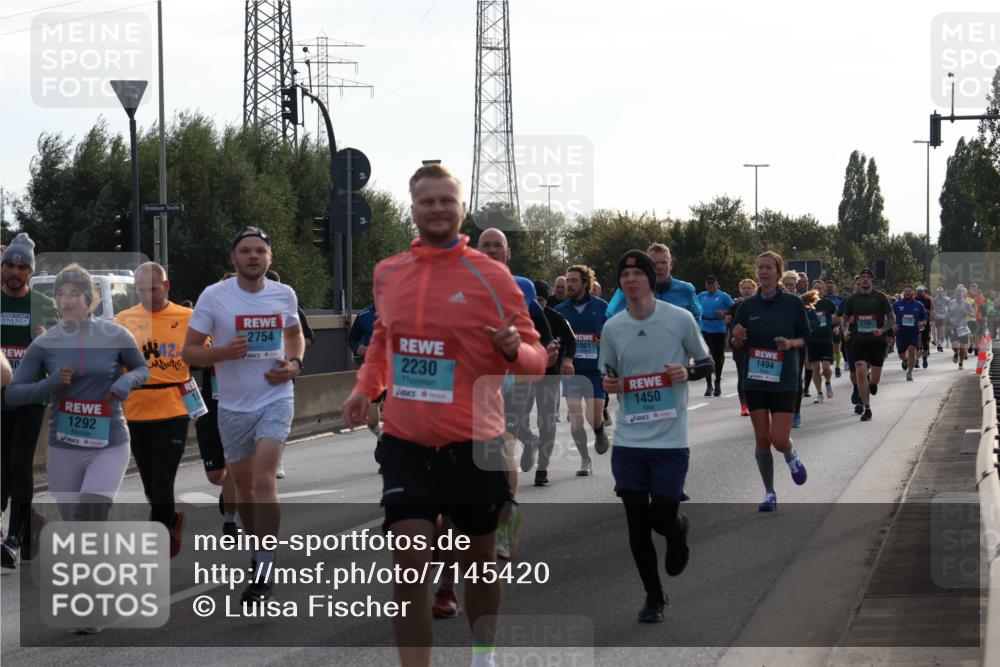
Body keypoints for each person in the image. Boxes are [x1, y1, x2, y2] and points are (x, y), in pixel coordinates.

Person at [341, 163, 547, 667]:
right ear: (413, 209)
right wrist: (365, 389)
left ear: (461, 208)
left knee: (479, 565)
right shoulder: (389, 273)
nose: (437, 209)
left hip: (474, 442)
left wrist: (514, 349)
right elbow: (383, 341)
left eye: (446, 201)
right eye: (427, 201)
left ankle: (483, 655)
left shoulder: (492, 276)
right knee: (409, 561)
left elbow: (536, 362)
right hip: (406, 441)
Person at [182, 225, 306, 606]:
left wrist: (295, 364)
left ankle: (265, 567)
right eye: (246, 251)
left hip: (276, 396)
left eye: (260, 251)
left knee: (266, 477)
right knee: (246, 489)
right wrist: (222, 353)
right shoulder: (214, 296)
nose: (253, 256)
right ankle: (259, 551)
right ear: (233, 258)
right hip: (233, 406)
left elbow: (294, 335)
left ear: (269, 258)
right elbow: (189, 352)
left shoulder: (284, 294)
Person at [599, 250, 712, 623]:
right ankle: (653, 597)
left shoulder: (679, 319)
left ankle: (678, 529)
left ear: (651, 279)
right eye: (624, 274)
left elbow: (706, 361)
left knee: (662, 519)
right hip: (629, 440)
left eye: (637, 273)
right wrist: (609, 382)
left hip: (669, 440)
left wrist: (687, 372)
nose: (630, 279)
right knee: (636, 523)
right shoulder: (613, 327)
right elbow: (608, 372)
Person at [6, 265, 149, 530]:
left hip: (109, 443)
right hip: (64, 446)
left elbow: (142, 369)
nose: (67, 300)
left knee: (90, 516)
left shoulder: (116, 335)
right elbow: (13, 393)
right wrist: (51, 383)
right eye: (60, 294)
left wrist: (125, 382)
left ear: (89, 297)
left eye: (74, 293)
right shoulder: (44, 343)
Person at [476, 227, 556, 559]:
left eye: (498, 246)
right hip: (469, 380)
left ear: (508, 253)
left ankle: (505, 520)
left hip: (509, 376)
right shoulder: (460, 281)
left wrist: (545, 352)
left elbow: (540, 325)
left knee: (504, 443)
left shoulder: (521, 286)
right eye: (486, 245)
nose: (492, 250)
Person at [115, 262, 196, 557]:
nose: (149, 296)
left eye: (154, 289)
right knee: (150, 485)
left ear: (166, 286)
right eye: (141, 291)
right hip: (136, 411)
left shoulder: (187, 317)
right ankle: (171, 519)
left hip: (173, 408)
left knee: (162, 481)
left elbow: (205, 351)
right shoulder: (124, 319)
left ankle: (155, 547)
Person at [730, 251, 809, 512]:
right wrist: (737, 338)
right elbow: (735, 341)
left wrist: (790, 344)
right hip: (755, 380)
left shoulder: (793, 304)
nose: (764, 272)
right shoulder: (747, 306)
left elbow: (805, 338)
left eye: (768, 267)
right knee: (762, 439)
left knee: (778, 439)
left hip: (784, 379)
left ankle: (790, 453)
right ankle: (769, 493)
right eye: (760, 267)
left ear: (778, 272)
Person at [1, 234, 59, 569]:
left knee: (20, 463)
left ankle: (14, 539)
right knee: (2, 470)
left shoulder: (43, 306)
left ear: (30, 272)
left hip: (30, 399)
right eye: (9, 265)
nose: (14, 272)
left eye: (22, 267)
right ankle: (29, 522)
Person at [555, 264, 610, 476]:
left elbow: (614, 332)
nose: (569, 284)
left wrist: (606, 341)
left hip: (596, 372)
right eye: (567, 280)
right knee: (576, 416)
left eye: (574, 281)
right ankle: (585, 460)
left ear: (585, 283)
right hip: (572, 372)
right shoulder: (560, 310)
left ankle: (599, 430)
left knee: (593, 415)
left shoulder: (602, 307)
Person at [529, 280, 576, 487]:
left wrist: (567, 360)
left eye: (540, 300)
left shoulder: (556, 318)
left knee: (546, 422)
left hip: (549, 376)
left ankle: (542, 468)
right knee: (517, 421)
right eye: (533, 300)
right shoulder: (520, 315)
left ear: (546, 300)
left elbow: (571, 341)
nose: (537, 304)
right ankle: (530, 440)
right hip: (524, 376)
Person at [842, 268, 893, 422]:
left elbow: (892, 319)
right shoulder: (852, 299)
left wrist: (882, 330)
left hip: (877, 342)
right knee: (860, 371)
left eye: (867, 277)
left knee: (875, 379)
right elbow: (844, 319)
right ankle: (867, 408)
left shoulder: (880, 297)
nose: (864, 279)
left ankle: (871, 382)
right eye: (862, 277)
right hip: (858, 341)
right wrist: (845, 331)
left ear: (872, 280)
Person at [606, 243, 701, 321]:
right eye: (654, 263)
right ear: (647, 267)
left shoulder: (686, 290)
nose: (659, 267)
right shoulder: (630, 288)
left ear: (671, 265)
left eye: (663, 262)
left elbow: (697, 317)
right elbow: (610, 315)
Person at [780, 271, 810, 428]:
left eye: (791, 285)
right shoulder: (777, 301)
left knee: (796, 379)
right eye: (786, 285)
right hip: (779, 346)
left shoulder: (802, 301)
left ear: (796, 285)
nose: (789, 288)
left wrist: (804, 328)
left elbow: (814, 322)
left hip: (797, 346)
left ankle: (796, 412)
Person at [696, 275, 735, 397]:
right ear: (705, 285)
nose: (710, 286)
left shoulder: (723, 296)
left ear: (717, 284)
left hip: (719, 328)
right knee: (706, 355)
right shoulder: (701, 296)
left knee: (718, 357)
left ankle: (717, 381)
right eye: (708, 283)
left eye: (712, 283)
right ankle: (709, 385)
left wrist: (725, 313)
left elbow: (734, 308)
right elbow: (694, 307)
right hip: (704, 327)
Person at [728, 278, 757, 416]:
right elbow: (731, 325)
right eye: (744, 288)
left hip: (756, 346)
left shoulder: (759, 305)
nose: (746, 290)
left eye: (749, 288)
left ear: (754, 289)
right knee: (742, 375)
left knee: (756, 376)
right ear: (740, 290)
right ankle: (744, 405)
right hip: (740, 346)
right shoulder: (735, 307)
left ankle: (757, 404)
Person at [892, 285, 929, 382]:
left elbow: (925, 318)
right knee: (901, 355)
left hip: (914, 333)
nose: (908, 293)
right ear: (903, 293)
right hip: (901, 333)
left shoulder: (919, 305)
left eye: (909, 291)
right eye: (906, 291)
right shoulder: (897, 304)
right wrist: (893, 325)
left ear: (913, 293)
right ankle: (905, 360)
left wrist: (922, 323)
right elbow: (890, 317)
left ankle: (909, 373)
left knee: (912, 350)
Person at [807, 286, 837, 402]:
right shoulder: (808, 304)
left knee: (825, 367)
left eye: (820, 288)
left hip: (826, 339)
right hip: (812, 340)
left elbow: (836, 316)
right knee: (815, 368)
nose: (818, 290)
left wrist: (836, 326)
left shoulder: (828, 303)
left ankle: (828, 382)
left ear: (824, 291)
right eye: (816, 288)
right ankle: (819, 393)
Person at [947, 286, 975, 369]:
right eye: (957, 292)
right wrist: (949, 314)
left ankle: (961, 363)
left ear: (963, 294)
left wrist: (967, 312)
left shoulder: (967, 303)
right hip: (953, 327)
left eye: (960, 292)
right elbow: (947, 312)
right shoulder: (951, 302)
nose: (959, 294)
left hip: (963, 327)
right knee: (955, 346)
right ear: (955, 294)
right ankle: (956, 353)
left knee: (962, 348)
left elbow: (973, 314)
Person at [824, 280, 844, 377]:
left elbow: (842, 314)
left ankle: (837, 367)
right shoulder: (822, 299)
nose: (829, 288)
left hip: (836, 326)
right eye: (828, 287)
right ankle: (826, 366)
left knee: (837, 348)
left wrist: (838, 325)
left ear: (834, 288)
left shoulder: (839, 299)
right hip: (825, 327)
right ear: (825, 288)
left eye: (831, 287)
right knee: (827, 347)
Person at [913, 286, 934, 369]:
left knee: (925, 341)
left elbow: (932, 311)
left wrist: (924, 309)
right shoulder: (913, 299)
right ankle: (916, 360)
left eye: (921, 291)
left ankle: (925, 358)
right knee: (916, 342)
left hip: (925, 322)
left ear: (924, 292)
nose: (919, 292)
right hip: (915, 322)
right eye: (918, 291)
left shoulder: (928, 300)